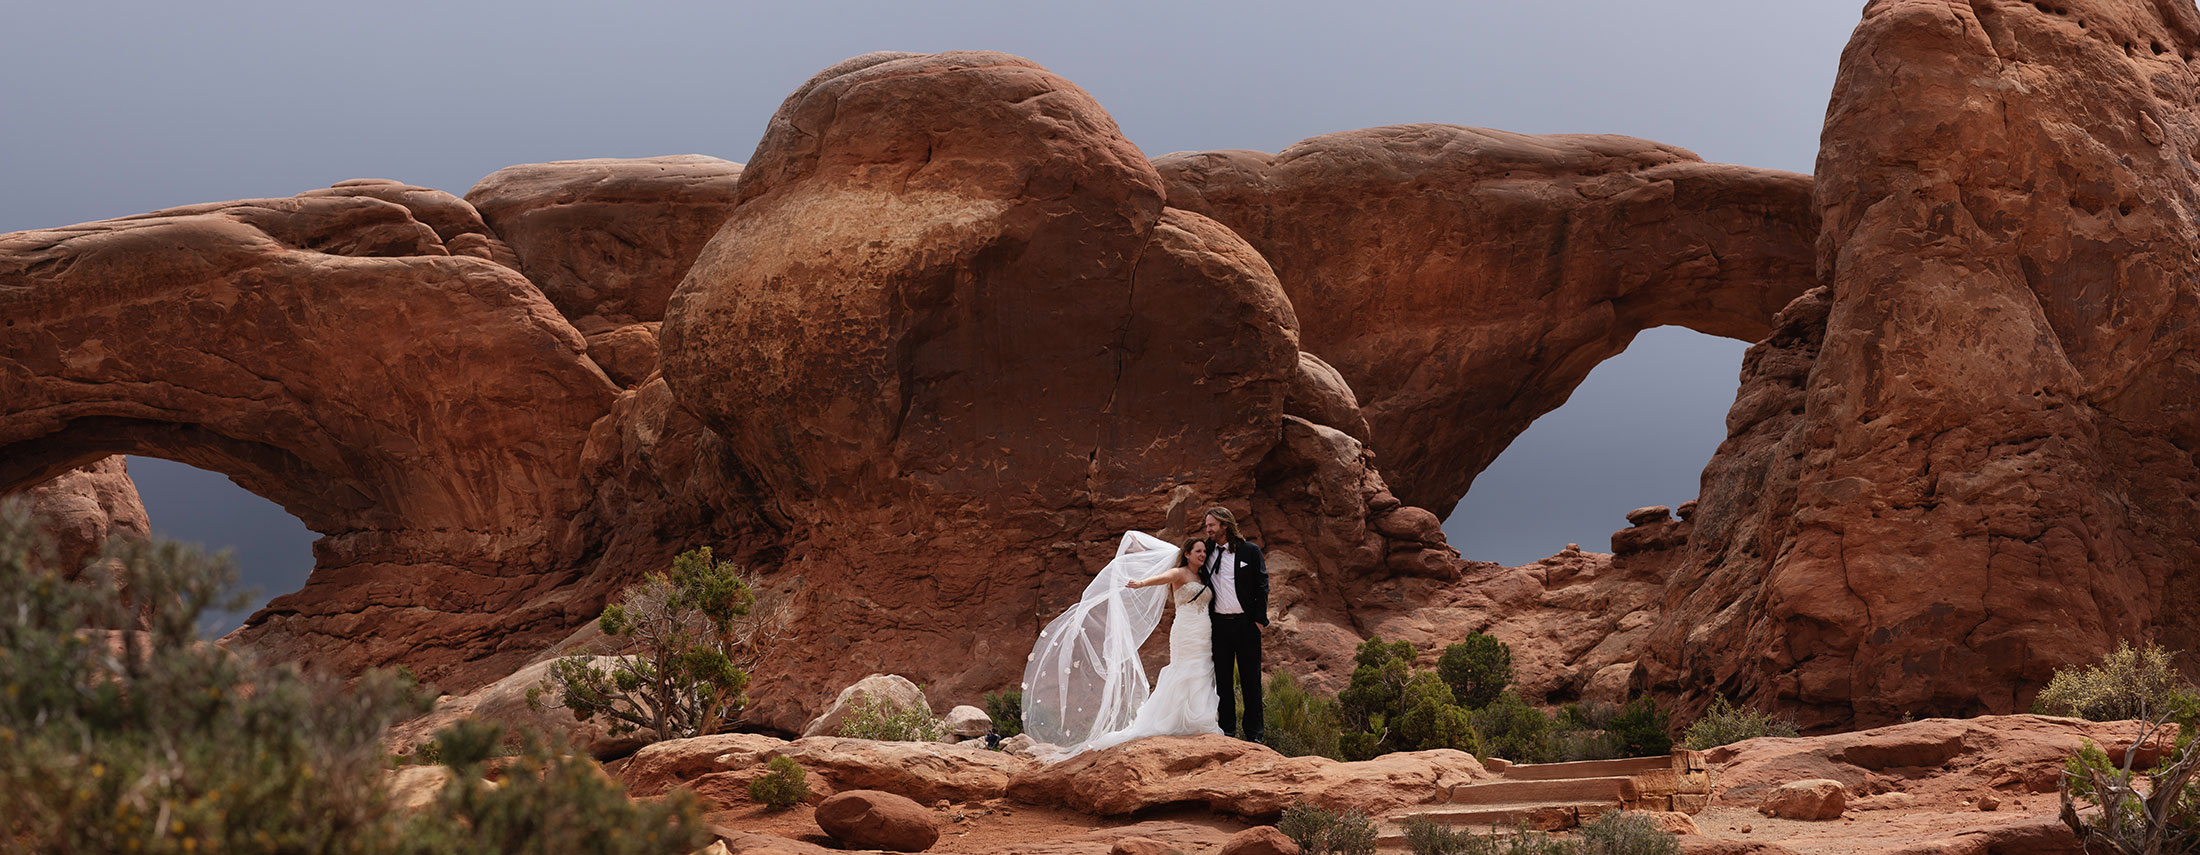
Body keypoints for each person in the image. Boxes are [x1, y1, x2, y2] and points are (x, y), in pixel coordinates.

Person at [1198, 506, 1268, 744]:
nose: (1208, 529)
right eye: (1207, 525)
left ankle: (1254, 735)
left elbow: (1262, 585)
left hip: (1247, 625)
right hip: (1219, 627)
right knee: (1223, 681)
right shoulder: (1205, 552)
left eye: (1211, 525)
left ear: (1224, 525)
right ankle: (1227, 731)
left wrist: (1259, 621)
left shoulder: (1250, 551)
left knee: (1251, 681)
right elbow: (1183, 559)